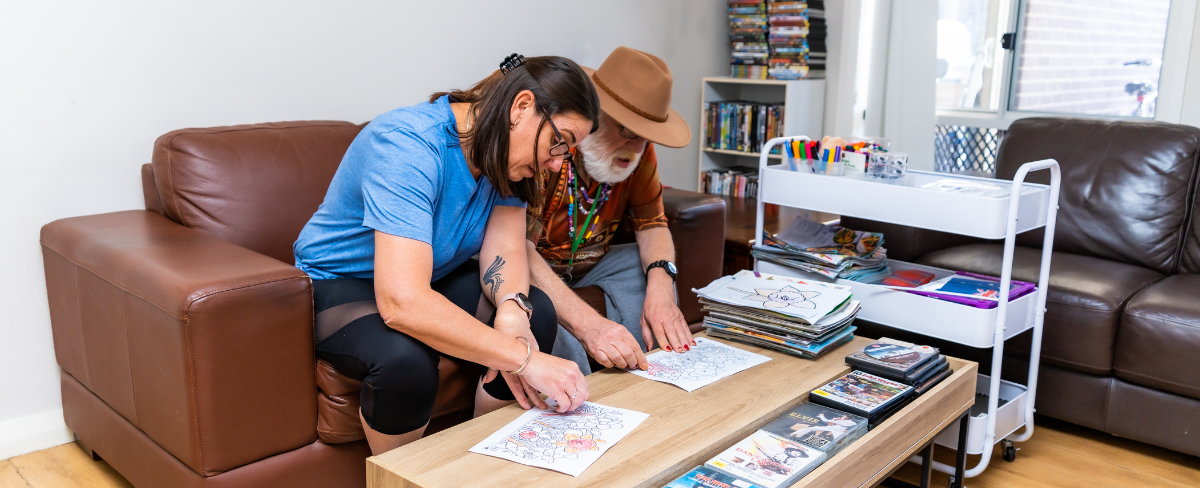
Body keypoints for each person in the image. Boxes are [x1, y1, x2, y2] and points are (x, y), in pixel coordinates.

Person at [293, 54, 600, 455]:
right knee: (405, 361)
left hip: (427, 278)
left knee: (534, 311)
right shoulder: (408, 144)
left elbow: (504, 252)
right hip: (337, 284)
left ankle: (478, 460)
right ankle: (401, 480)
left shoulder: (505, 157)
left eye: (568, 152)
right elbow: (402, 302)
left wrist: (510, 310)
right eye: (559, 140)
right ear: (522, 107)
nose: (557, 163)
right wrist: (524, 359)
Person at [525, 47, 694, 375]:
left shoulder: (640, 150)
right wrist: (589, 325)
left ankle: (655, 371)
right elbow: (517, 250)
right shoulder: (551, 146)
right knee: (535, 300)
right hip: (535, 269)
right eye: (628, 131)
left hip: (592, 265)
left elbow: (652, 225)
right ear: (594, 115)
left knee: (649, 267)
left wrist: (661, 292)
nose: (637, 148)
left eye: (645, 138)